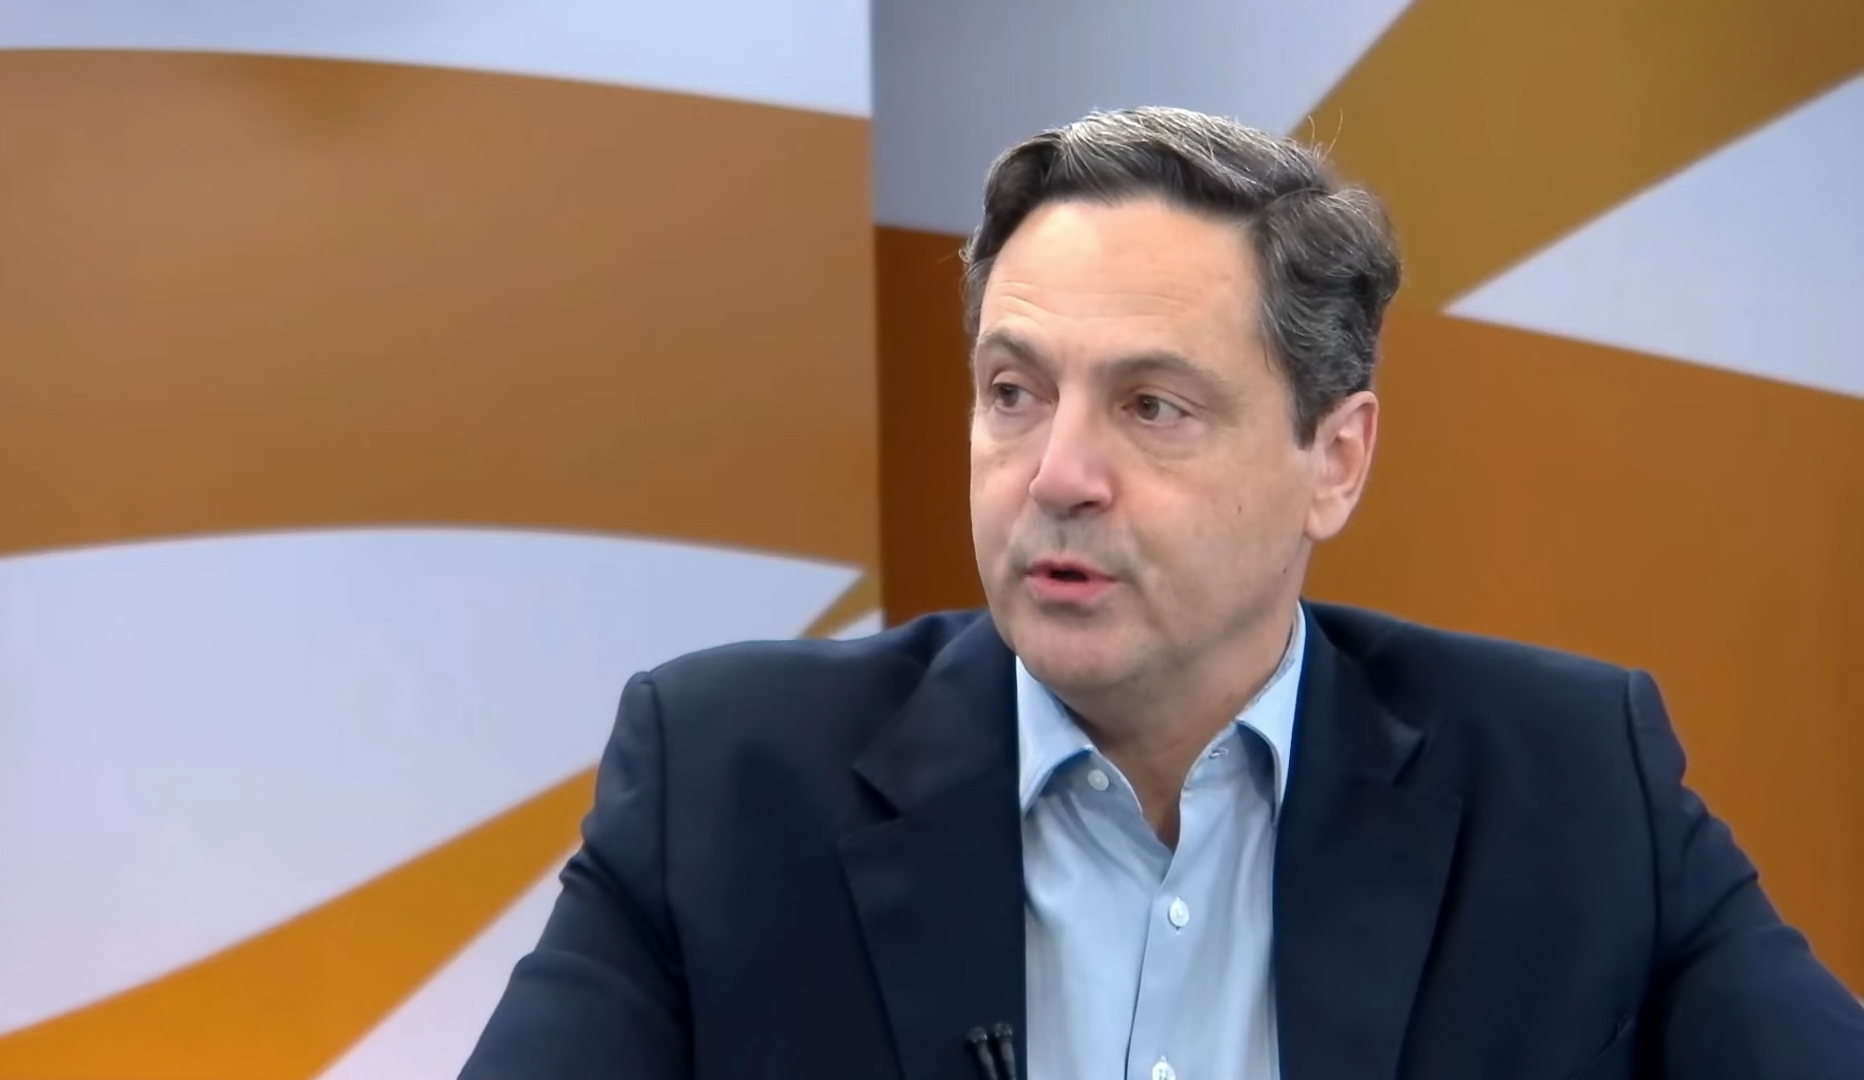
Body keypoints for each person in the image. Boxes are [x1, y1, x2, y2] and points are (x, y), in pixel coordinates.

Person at [459, 107, 1864, 1079]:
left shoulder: (1569, 786)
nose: (1059, 476)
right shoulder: (725, 782)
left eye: (1153, 407)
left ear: (1334, 460)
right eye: (1014, 393)